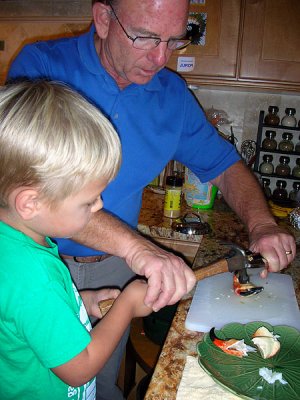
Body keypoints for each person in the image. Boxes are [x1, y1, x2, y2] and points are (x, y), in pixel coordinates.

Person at [7, 0, 296, 398]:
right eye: (145, 37)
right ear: (104, 19)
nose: (161, 57)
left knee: (98, 382)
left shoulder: (171, 95)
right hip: (45, 259)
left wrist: (262, 224)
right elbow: (34, 188)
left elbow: (224, 166)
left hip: (113, 272)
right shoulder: (43, 69)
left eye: (175, 40)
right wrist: (141, 250)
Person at [0, 80, 152, 400]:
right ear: (30, 203)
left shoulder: (14, 246)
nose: (99, 207)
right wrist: (124, 306)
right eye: (88, 201)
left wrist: (83, 302)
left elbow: (27, 322)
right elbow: (79, 367)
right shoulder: (34, 275)